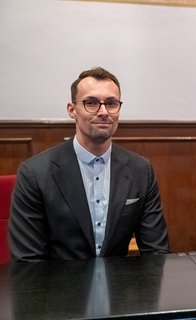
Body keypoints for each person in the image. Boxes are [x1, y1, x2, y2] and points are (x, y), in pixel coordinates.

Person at [9, 67, 169, 261]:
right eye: (91, 103)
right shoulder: (35, 173)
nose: (103, 112)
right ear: (72, 110)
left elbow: (157, 254)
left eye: (111, 103)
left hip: (118, 287)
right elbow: (28, 263)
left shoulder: (141, 170)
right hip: (58, 289)